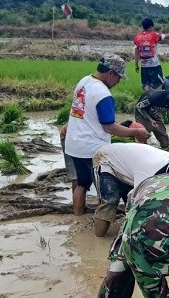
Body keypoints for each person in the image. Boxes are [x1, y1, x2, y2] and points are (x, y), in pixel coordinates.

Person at [64, 54, 150, 216]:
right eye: (118, 77)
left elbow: (81, 111)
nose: (118, 82)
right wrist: (136, 132)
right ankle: (100, 219)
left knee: (80, 183)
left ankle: (77, 218)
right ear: (111, 73)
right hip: (91, 149)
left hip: (74, 144)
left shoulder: (84, 81)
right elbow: (109, 127)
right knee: (103, 185)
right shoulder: (103, 94)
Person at [91, 143, 169, 236]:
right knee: (111, 201)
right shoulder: (149, 172)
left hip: (130, 169)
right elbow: (135, 200)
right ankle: (98, 241)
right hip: (107, 161)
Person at [133, 17, 169, 92]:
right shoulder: (154, 35)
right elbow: (167, 36)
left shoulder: (137, 37)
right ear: (151, 26)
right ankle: (157, 102)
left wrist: (136, 65)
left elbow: (136, 52)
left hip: (143, 66)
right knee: (159, 85)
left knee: (146, 85)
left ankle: (148, 100)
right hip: (154, 66)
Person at [132, 85, 169, 149]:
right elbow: (139, 106)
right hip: (142, 112)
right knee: (143, 134)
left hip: (155, 115)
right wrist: (150, 119)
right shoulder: (155, 97)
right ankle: (141, 147)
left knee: (164, 138)